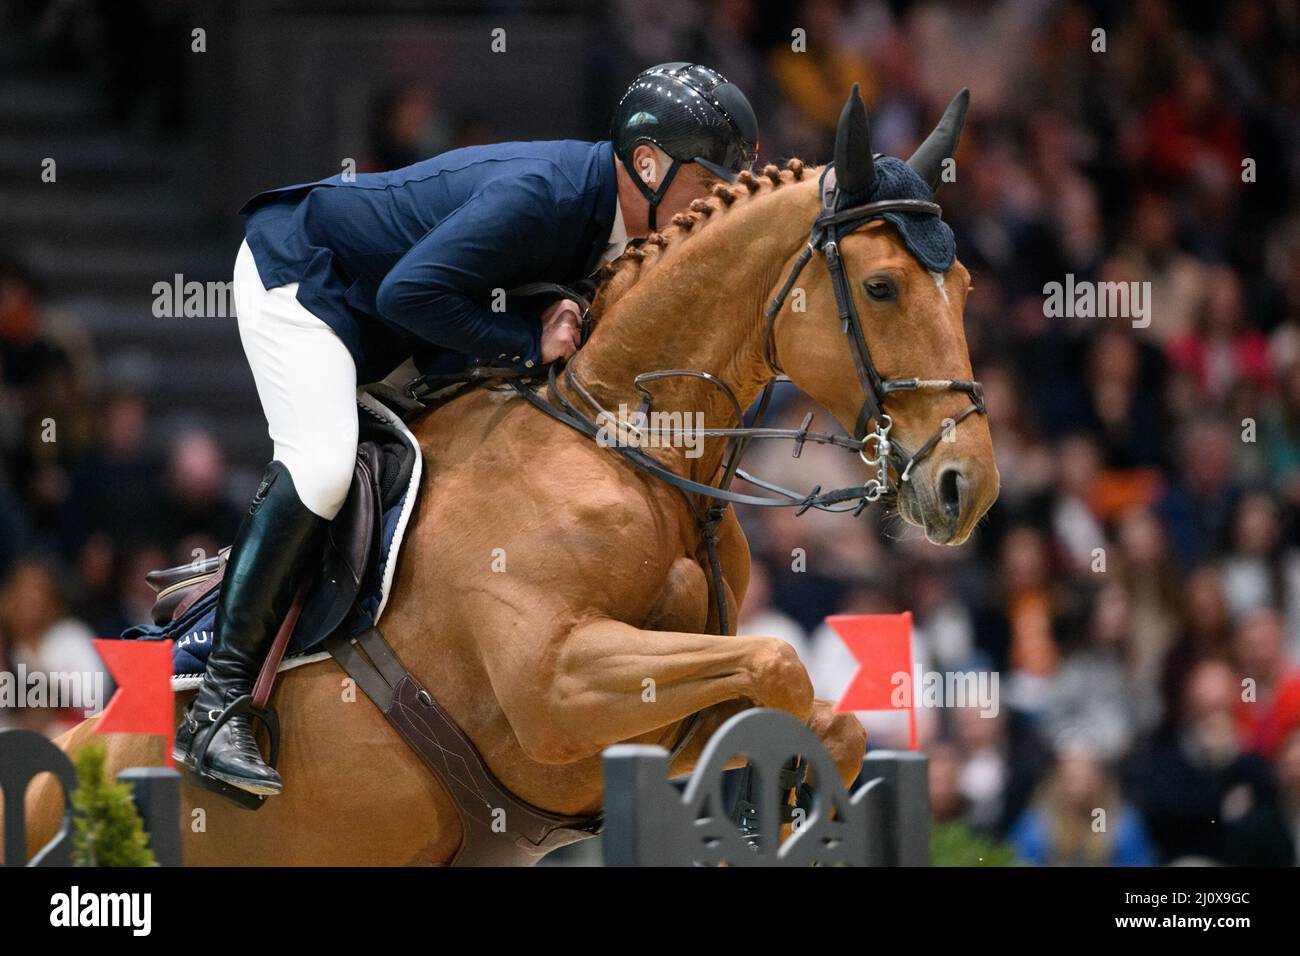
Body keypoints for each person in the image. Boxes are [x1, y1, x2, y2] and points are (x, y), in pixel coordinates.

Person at [173, 63, 759, 799]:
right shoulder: (543, 197)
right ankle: (217, 706)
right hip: (308, 280)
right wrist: (524, 339)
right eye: (708, 189)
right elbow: (408, 291)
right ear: (647, 165)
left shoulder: (620, 228)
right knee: (322, 464)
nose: (713, 210)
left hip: (394, 320)